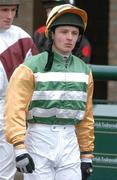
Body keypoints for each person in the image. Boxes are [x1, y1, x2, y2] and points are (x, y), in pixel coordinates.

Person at [4, 3, 94, 180]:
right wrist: (19, 147)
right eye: (64, 32)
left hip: (70, 140)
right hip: (38, 138)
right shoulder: (29, 67)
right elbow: (15, 108)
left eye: (74, 33)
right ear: (52, 33)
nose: (69, 38)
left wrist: (86, 155)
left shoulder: (84, 70)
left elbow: (86, 117)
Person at [0, 0, 38, 179]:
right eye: (4, 10)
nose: (9, 16)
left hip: (8, 114)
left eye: (13, 10)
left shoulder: (22, 38)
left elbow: (36, 80)